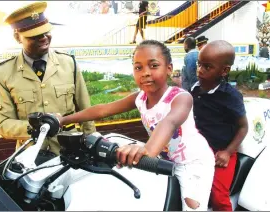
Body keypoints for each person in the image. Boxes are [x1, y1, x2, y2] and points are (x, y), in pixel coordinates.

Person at [59, 40, 215, 211]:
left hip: (192, 162)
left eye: (153, 66)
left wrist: (147, 150)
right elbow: (103, 110)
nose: (145, 73)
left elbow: (169, 122)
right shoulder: (139, 98)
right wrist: (62, 120)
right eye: (138, 67)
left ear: (169, 69)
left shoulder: (180, 97)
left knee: (192, 207)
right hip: (160, 157)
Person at [0, 2, 96, 155]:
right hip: (30, 158)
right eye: (34, 36)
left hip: (69, 153)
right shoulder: (5, 72)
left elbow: (86, 112)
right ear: (17, 37)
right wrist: (39, 128)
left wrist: (91, 144)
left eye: (46, 32)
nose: (43, 38)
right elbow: (5, 125)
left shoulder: (68, 64)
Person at [191, 40, 249, 211]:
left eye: (207, 67)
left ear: (224, 71)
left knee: (218, 195)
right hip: (199, 149)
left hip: (221, 152)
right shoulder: (195, 88)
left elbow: (243, 127)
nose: (200, 70)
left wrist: (228, 152)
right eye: (199, 64)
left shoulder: (230, 96)